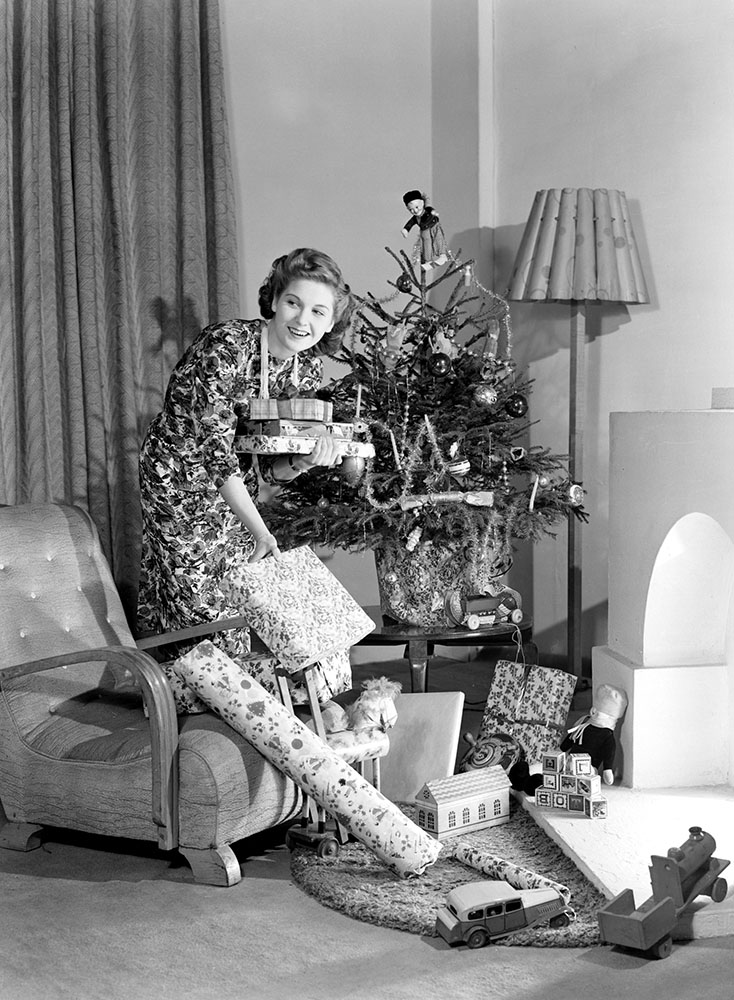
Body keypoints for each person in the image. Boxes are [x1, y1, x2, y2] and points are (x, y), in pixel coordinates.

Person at [137, 248, 355, 710]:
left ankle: (209, 710)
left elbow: (265, 467)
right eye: (294, 303)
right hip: (179, 480)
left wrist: (309, 461)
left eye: (319, 311)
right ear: (275, 298)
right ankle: (182, 708)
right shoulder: (226, 346)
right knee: (198, 602)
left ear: (331, 321)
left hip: (237, 490)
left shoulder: (305, 369)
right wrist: (261, 530)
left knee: (232, 609)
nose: (303, 320)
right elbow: (215, 455)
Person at [400, 189, 448, 271]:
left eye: (416, 207)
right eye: (411, 209)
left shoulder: (428, 210)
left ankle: (442, 255)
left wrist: (434, 214)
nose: (414, 211)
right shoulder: (415, 218)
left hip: (434, 226)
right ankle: (428, 260)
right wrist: (406, 229)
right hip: (424, 231)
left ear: (422, 203)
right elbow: (410, 223)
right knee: (426, 245)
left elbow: (433, 212)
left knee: (438, 239)